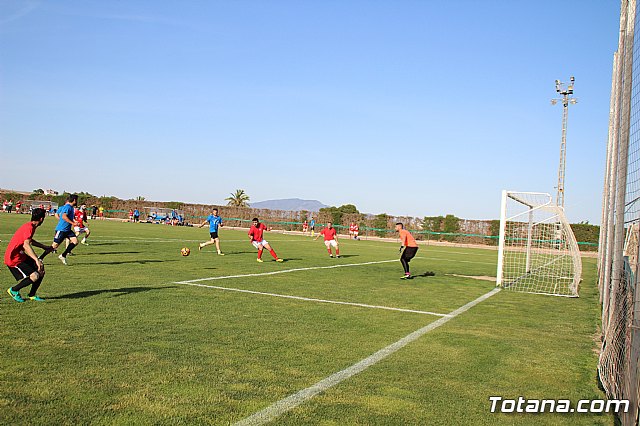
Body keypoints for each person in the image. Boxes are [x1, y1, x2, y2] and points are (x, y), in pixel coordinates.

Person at [5, 208, 52, 302]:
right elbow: (26, 245)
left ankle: (32, 295)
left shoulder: (31, 226)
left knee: (41, 270)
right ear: (42, 219)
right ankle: (14, 290)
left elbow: (29, 241)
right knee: (35, 276)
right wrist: (36, 259)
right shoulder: (29, 227)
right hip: (13, 258)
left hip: (20, 255)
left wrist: (44, 247)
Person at [41, 194, 79, 265]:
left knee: (75, 241)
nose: (77, 201)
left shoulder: (70, 207)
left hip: (67, 230)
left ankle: (63, 255)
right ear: (74, 200)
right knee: (54, 246)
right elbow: (64, 216)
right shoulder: (67, 207)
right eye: (76, 200)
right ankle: (41, 258)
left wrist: (73, 222)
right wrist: (73, 223)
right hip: (61, 230)